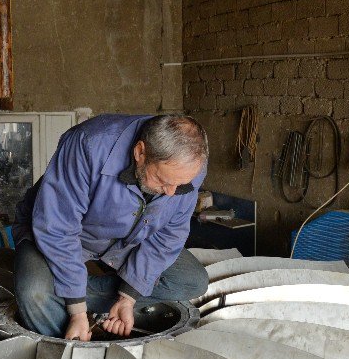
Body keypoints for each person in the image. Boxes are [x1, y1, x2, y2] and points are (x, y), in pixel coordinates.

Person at [13, 113, 210, 341]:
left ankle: (65, 293)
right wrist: (77, 311)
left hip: (128, 238)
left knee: (191, 281)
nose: (171, 192)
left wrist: (128, 297)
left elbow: (169, 234)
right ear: (140, 152)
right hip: (62, 233)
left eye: (180, 185)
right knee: (34, 292)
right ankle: (68, 325)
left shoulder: (189, 169)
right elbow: (57, 227)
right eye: (163, 181)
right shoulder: (87, 145)